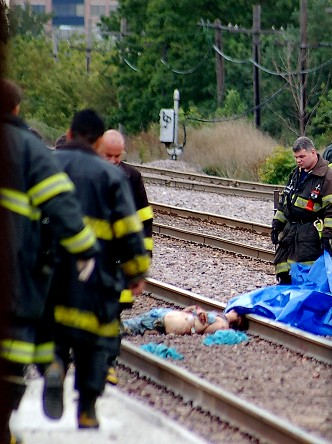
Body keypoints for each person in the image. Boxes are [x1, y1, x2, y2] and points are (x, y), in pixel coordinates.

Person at [0, 79, 99, 444]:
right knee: (18, 344)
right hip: (15, 271)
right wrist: (85, 251)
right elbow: (62, 208)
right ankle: (50, 368)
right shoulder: (28, 147)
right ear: (16, 109)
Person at [43, 109, 150, 430]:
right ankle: (87, 410)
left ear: (70, 134)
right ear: (100, 141)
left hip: (51, 273)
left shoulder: (47, 167)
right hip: (97, 275)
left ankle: (55, 366)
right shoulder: (111, 177)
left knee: (53, 330)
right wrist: (135, 273)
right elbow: (130, 231)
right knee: (93, 342)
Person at [99, 129, 154, 385]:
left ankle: (107, 364)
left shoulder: (132, 177)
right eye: (107, 156)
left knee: (113, 312)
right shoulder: (88, 174)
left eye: (117, 156)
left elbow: (144, 220)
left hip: (119, 260)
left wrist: (145, 258)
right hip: (92, 257)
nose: (112, 162)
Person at [271, 136, 332, 284]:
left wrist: (328, 235)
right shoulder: (296, 173)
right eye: (296, 157)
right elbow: (285, 201)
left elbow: (331, 209)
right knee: (285, 271)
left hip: (310, 235)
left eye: (302, 157)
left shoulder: (327, 177)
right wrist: (277, 224)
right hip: (291, 233)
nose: (298, 161)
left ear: (313, 152)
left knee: (306, 275)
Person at [122, 305, 247, 336]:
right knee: (125, 327)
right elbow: (187, 310)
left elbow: (203, 331)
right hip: (165, 315)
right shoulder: (218, 317)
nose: (232, 311)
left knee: (125, 327)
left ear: (239, 319)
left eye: (235, 312)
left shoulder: (222, 324)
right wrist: (197, 309)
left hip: (165, 319)